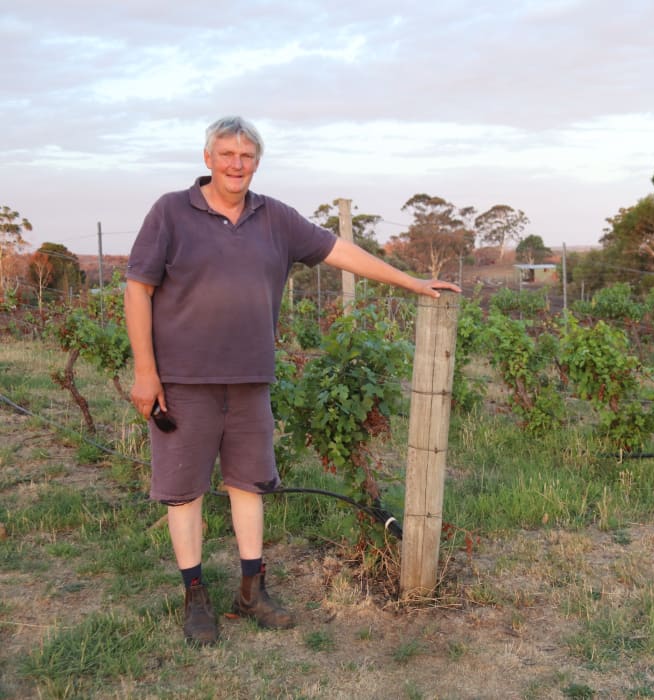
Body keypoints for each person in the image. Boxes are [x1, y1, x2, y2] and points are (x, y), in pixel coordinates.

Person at [125, 116, 460, 646]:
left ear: (257, 162)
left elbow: (339, 252)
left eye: (247, 156)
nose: (237, 164)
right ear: (207, 158)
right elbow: (137, 289)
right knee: (183, 493)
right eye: (227, 154)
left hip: (251, 380)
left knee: (249, 485)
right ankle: (196, 598)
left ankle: (251, 590)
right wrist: (146, 372)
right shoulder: (171, 211)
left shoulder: (274, 218)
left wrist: (411, 281)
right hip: (183, 381)